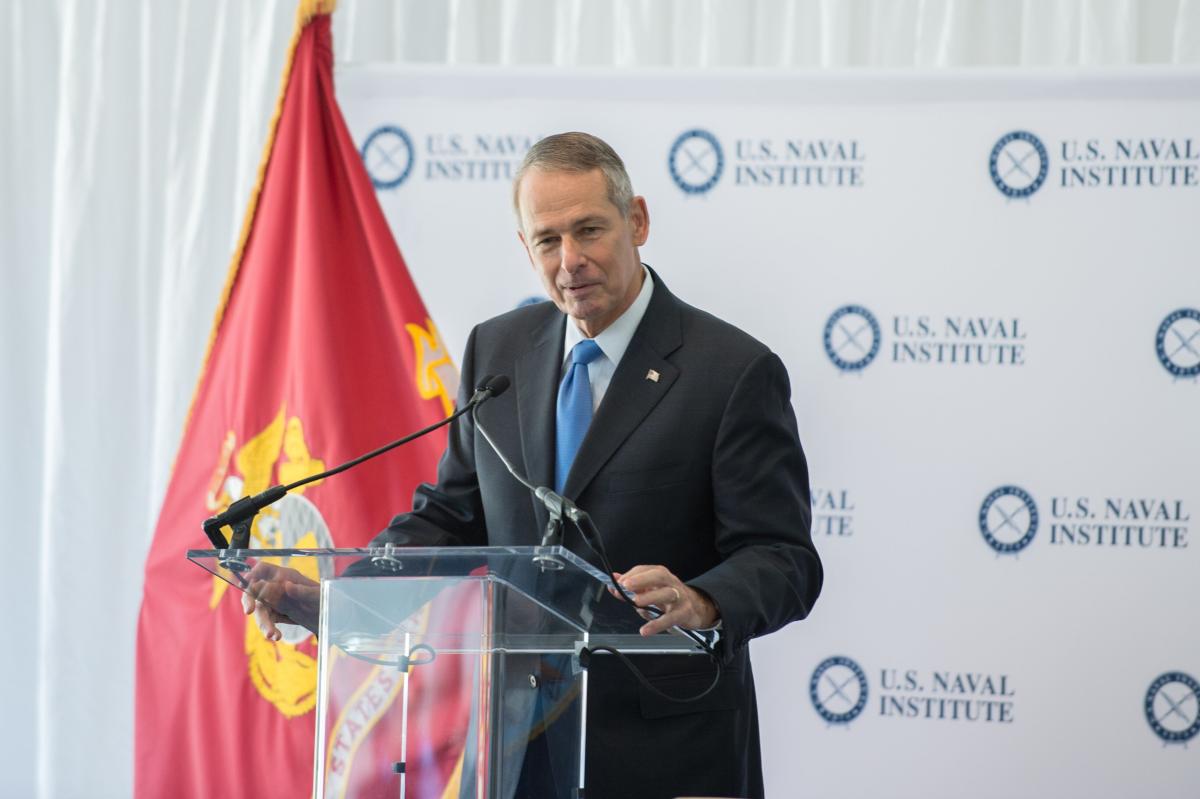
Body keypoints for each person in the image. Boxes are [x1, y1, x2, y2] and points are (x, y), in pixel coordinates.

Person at [247, 132, 822, 798]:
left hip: (665, 750)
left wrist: (701, 599)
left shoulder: (731, 371)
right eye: (547, 240)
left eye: (589, 230)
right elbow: (450, 517)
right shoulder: (498, 352)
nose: (570, 260)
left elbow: (783, 557)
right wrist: (344, 596)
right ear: (525, 247)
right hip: (514, 746)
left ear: (636, 220)